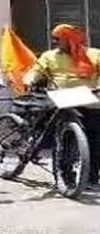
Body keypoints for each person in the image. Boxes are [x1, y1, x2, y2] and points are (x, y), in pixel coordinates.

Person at [24, 24, 100, 185]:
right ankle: (65, 176)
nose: (54, 42)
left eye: (58, 39)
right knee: (63, 140)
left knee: (94, 139)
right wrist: (29, 80)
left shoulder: (94, 54)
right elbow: (36, 71)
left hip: (89, 99)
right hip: (60, 99)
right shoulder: (49, 56)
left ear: (70, 39)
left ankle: (92, 176)